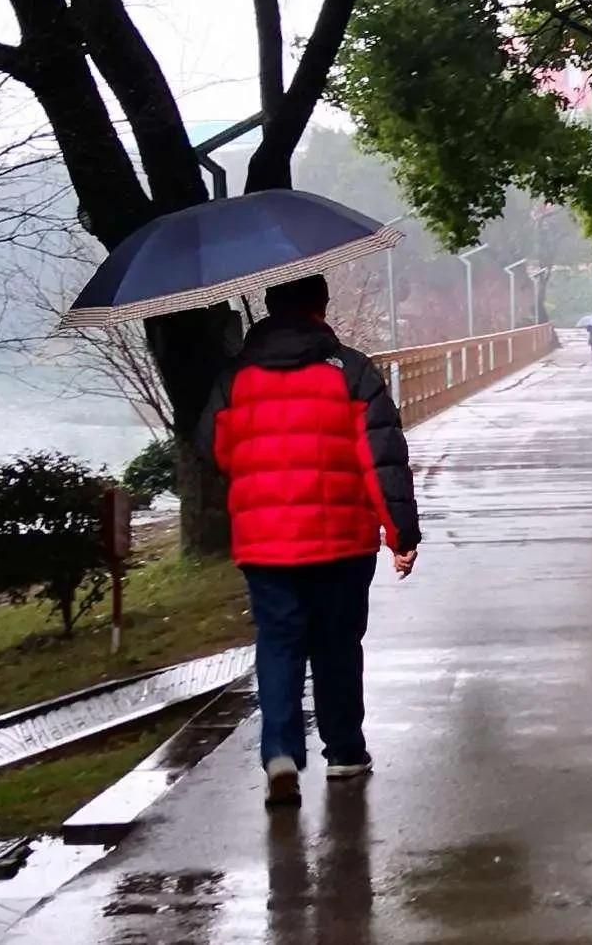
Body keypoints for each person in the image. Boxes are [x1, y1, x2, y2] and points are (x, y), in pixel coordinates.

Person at [198, 273, 420, 811]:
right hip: (341, 542)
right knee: (337, 645)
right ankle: (344, 753)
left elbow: (216, 450)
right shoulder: (352, 370)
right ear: (321, 307)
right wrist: (400, 534)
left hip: (265, 543)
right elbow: (380, 458)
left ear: (270, 307)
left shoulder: (235, 379)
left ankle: (279, 753)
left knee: (278, 643)